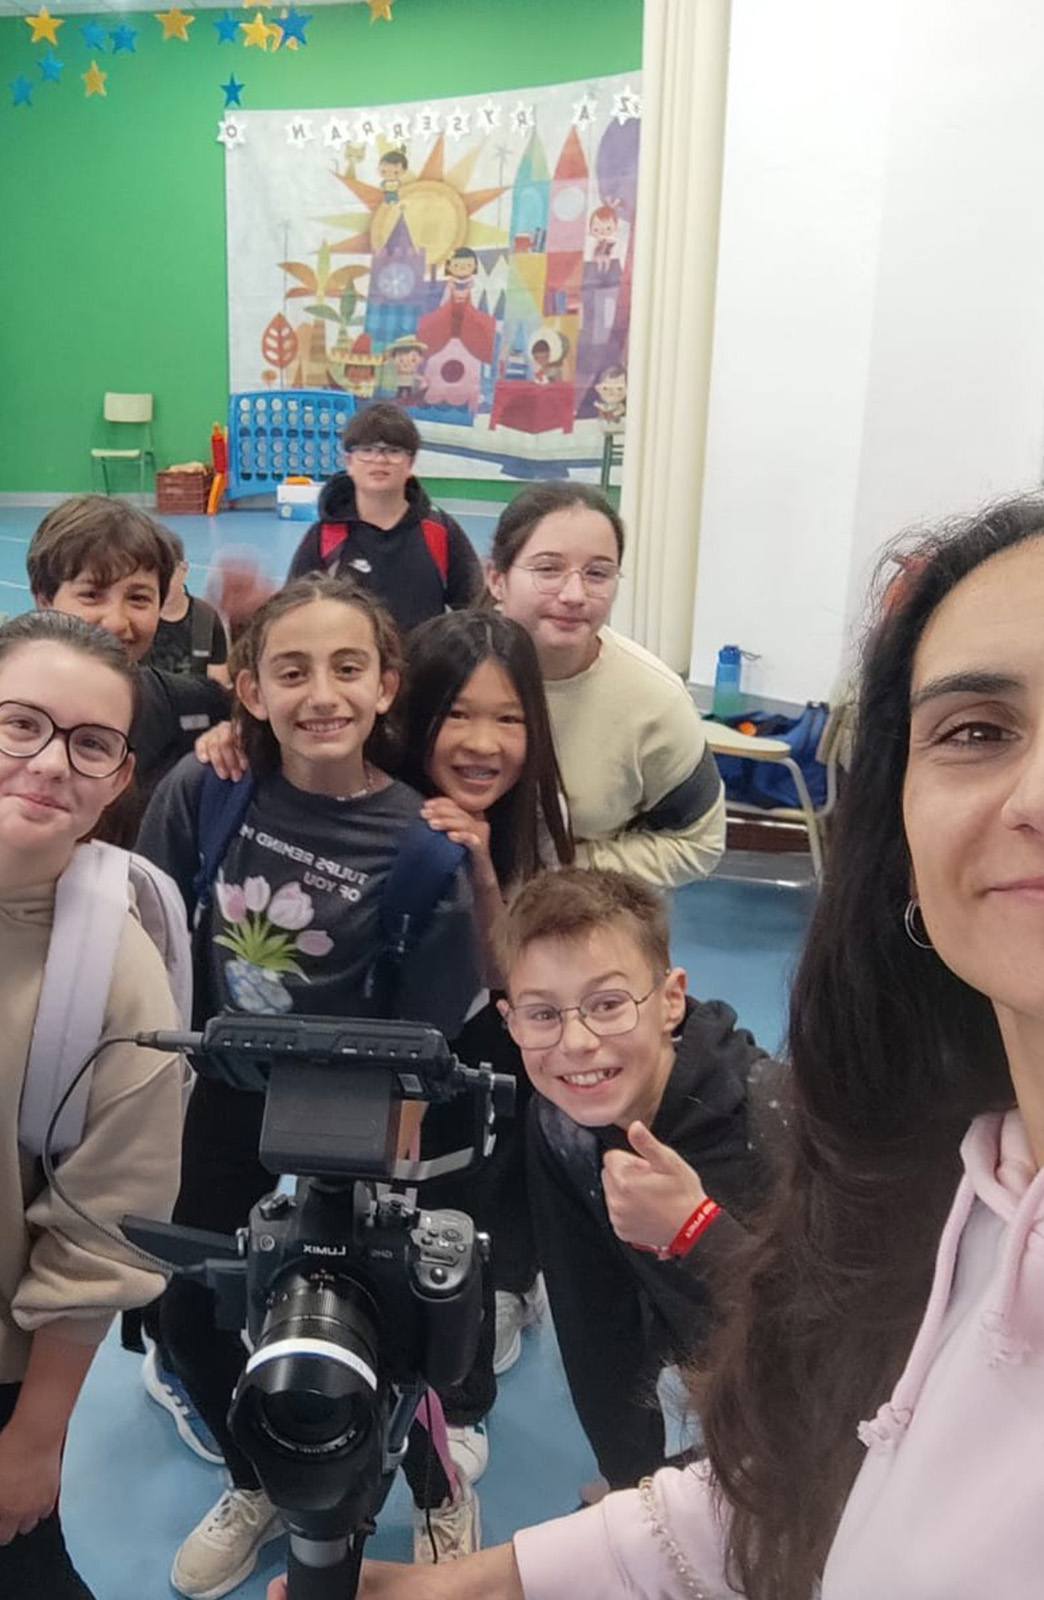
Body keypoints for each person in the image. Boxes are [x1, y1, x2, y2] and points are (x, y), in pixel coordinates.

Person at [270, 487, 1044, 1600]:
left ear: (668, 997)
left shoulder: (761, 1114)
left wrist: (695, 1233)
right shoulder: (937, 1172)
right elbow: (832, 1463)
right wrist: (514, 1570)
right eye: (977, 731)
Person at [136, 576, 482, 1598]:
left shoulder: (423, 844)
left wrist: (401, 1135)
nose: (321, 693)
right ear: (250, 689)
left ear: (385, 686)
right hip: (229, 1087)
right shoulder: (207, 789)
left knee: (395, 1331)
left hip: (362, 1107)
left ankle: (435, 1483)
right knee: (193, 1311)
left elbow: (432, 1026)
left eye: (347, 668)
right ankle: (255, 1480)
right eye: (291, 671)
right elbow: (149, 929)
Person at [0, 610, 184, 1599]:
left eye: (90, 743)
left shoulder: (114, 971)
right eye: (19, 723)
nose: (47, 762)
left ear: (118, 780)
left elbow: (102, 1226)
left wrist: (34, 1438)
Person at [498, 868, 781, 1492]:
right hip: (698, 1385)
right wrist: (631, 1480)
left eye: (607, 1004)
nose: (576, 1043)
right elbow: (591, 1317)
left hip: (801, 1421)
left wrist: (696, 1232)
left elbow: (836, 1344)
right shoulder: (561, 1122)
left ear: (670, 1000)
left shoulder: (774, 1120)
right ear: (510, 1023)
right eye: (542, 1014)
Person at [399, 612, 574, 1477]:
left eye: (508, 718)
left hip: (486, 1038)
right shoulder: (383, 799)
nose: (483, 744)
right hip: (393, 1045)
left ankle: (463, 1400)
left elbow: (516, 981)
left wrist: (479, 868)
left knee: (475, 1204)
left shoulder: (533, 814)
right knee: (391, 1207)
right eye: (458, 715)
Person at [486, 483, 725, 890]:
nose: (574, 595)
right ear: (497, 578)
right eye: (548, 569)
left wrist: (561, 869)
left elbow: (700, 841)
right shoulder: (447, 667)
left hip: (576, 910)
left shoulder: (654, 699)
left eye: (597, 574)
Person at [26, 496, 229, 831]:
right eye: (91, 595)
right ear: (44, 600)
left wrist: (234, 735)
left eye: (138, 598)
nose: (117, 622)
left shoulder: (189, 704)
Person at [286, 400, 482, 633]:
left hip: (423, 657)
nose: (379, 460)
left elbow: (476, 611)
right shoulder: (324, 537)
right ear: (349, 462)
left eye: (393, 451)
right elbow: (295, 613)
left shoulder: (440, 531)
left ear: (410, 463)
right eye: (367, 450)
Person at [143, 528, 231, 687]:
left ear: (183, 570)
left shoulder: (206, 618)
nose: (162, 583)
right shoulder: (136, 619)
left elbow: (218, 684)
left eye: (167, 573)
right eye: (155, 575)